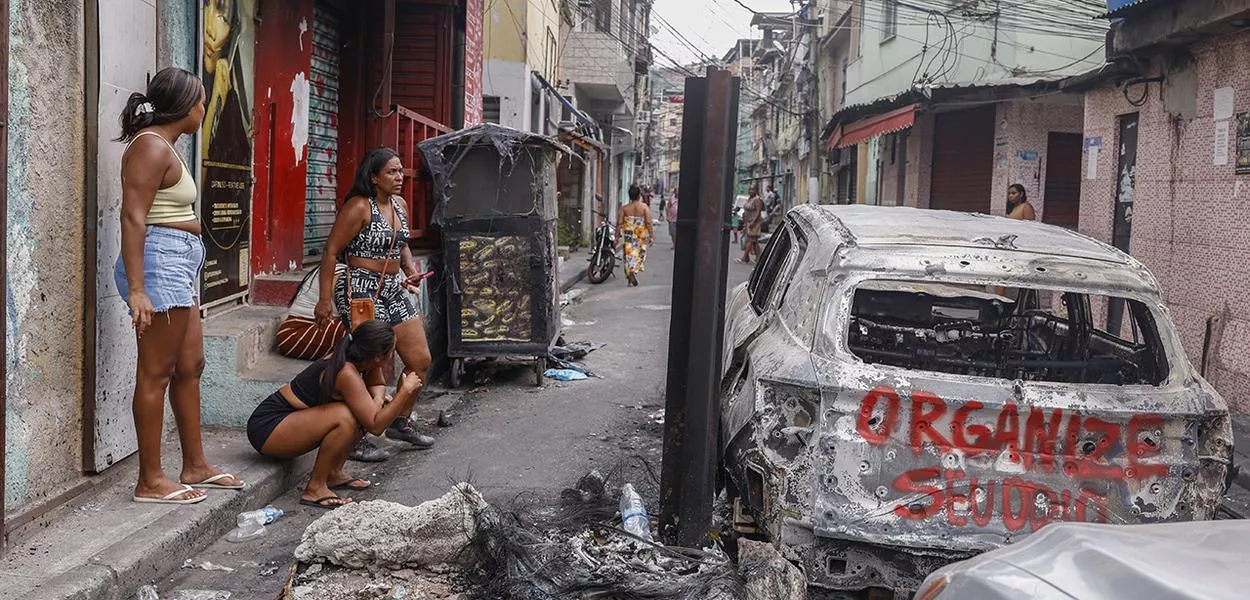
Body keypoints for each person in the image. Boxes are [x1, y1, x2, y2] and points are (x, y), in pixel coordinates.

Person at [114, 67, 245, 505]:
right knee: (156, 372)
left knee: (191, 366)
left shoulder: (166, 146)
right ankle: (150, 481)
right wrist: (137, 289)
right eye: (202, 102)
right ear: (188, 106)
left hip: (178, 261)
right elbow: (133, 218)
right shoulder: (151, 148)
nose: (204, 109)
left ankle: (195, 464)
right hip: (158, 262)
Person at [315, 148, 435, 459]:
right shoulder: (358, 207)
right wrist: (324, 300)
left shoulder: (400, 205)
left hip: (394, 288)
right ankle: (355, 437)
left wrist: (410, 270)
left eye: (400, 171)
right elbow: (330, 252)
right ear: (374, 177)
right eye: (392, 173)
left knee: (420, 359)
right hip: (360, 290)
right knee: (368, 365)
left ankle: (399, 421)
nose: (399, 178)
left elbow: (401, 242)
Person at [248, 320, 423, 509]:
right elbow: (376, 425)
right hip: (268, 428)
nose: (393, 354)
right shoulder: (346, 372)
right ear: (379, 356)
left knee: (358, 412)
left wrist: (377, 401)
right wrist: (404, 392)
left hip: (288, 425)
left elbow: (377, 386)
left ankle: (333, 473)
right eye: (392, 351)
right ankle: (315, 488)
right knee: (345, 416)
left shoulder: (365, 359)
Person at [617, 184, 654, 287]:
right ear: (639, 195)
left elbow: (619, 223)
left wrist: (616, 237)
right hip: (640, 235)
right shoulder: (644, 207)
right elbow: (649, 222)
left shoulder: (624, 208)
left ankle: (629, 278)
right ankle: (634, 270)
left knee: (628, 255)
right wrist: (651, 236)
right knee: (639, 254)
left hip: (628, 235)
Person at [738, 185, 765, 264]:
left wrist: (753, 222)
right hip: (747, 222)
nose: (751, 191)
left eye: (752, 190)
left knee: (750, 240)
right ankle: (760, 257)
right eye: (750, 189)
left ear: (756, 190)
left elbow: (758, 211)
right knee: (754, 241)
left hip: (753, 223)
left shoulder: (757, 199)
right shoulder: (750, 199)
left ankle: (744, 258)